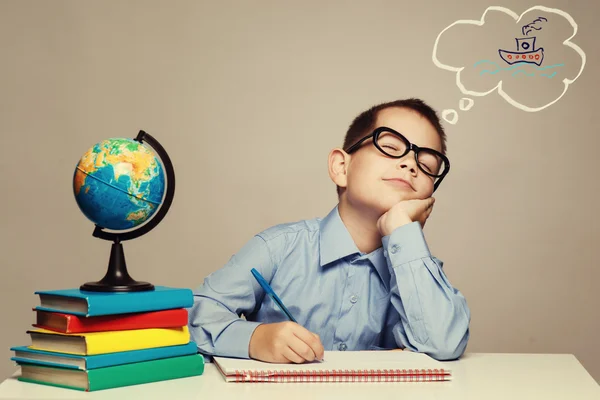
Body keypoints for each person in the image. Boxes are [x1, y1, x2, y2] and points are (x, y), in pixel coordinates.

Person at [188, 98, 470, 364]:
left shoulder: (417, 269)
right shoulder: (279, 247)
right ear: (341, 167)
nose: (410, 164)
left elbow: (444, 344)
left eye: (427, 164)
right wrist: (254, 339)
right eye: (391, 148)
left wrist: (404, 233)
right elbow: (194, 315)